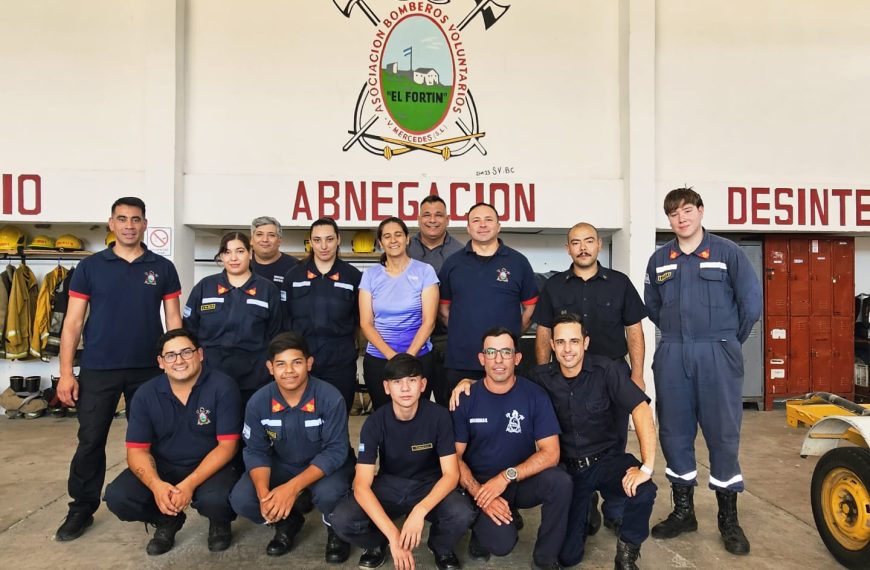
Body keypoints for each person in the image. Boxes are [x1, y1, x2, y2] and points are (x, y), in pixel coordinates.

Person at [454, 314, 656, 569]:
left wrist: (646, 467)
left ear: (586, 342)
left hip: (604, 459)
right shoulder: (540, 378)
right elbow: (501, 376)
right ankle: (584, 509)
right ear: (552, 345)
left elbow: (640, 408)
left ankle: (627, 552)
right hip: (570, 469)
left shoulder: (607, 370)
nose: (567, 349)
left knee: (644, 489)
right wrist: (469, 383)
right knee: (568, 557)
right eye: (560, 342)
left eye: (574, 341)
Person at [55, 197, 182, 542]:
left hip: (150, 371)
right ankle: (81, 509)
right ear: (111, 223)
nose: (129, 225)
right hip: (99, 369)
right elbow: (73, 322)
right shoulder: (91, 267)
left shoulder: (162, 267)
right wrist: (67, 372)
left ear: (145, 224)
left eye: (136, 219)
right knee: (90, 441)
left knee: (155, 441)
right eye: (122, 219)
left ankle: (162, 508)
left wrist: (176, 366)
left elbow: (173, 321)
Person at [644, 187, 762, 555]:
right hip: (674, 350)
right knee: (675, 433)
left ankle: (729, 519)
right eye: (674, 213)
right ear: (668, 220)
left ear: (700, 211)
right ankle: (684, 512)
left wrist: (725, 342)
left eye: (687, 210)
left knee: (723, 433)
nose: (682, 218)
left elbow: (751, 305)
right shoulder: (660, 259)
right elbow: (653, 306)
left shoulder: (728, 252)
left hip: (718, 351)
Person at [533, 222, 647, 532]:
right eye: (575, 242)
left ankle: (615, 504)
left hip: (612, 377)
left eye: (588, 241)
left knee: (614, 444)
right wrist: (544, 378)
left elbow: (634, 331)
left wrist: (636, 374)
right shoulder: (554, 286)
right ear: (567, 248)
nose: (582, 247)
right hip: (567, 378)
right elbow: (544, 334)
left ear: (598, 245)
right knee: (573, 443)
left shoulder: (620, 283)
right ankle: (585, 503)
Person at [329, 354, 474, 570]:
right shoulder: (375, 422)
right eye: (397, 382)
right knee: (341, 519)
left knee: (463, 513)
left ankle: (440, 546)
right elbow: (361, 485)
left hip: (429, 483)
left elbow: (451, 475)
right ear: (386, 387)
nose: (405, 388)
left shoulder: (439, 417)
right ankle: (377, 544)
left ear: (423, 384)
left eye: (412, 380)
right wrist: (392, 534)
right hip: (390, 484)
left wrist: (419, 511)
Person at [104, 329, 242, 555]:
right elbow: (137, 451)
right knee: (119, 497)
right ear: (161, 362)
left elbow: (228, 446)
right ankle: (167, 519)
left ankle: (219, 520)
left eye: (186, 352)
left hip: (210, 466)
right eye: (171, 355)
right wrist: (157, 486)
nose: (179, 360)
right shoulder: (146, 394)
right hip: (164, 466)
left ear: (200, 354)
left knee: (217, 500)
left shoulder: (222, 386)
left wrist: (189, 484)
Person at [451, 327, 571, 570]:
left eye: (506, 352)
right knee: (501, 543)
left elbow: (551, 453)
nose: (498, 360)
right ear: (481, 358)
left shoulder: (535, 395)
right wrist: (480, 494)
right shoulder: (465, 397)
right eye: (491, 352)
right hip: (481, 485)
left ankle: (546, 558)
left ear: (517, 358)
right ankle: (479, 524)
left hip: (517, 480)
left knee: (561, 481)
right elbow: (454, 457)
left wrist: (506, 477)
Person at [229, 332, 354, 563]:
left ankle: (335, 529)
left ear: (309, 363)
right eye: (281, 364)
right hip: (283, 464)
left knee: (330, 493)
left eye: (297, 362)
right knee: (243, 498)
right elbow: (256, 451)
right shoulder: (258, 402)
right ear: (270, 368)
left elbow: (336, 450)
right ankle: (287, 522)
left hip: (325, 466)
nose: (289, 371)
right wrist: (264, 494)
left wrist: (291, 488)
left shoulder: (330, 397)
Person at [438, 203, 538, 393]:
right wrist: (463, 333)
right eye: (476, 220)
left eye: (488, 220)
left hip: (504, 361)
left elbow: (531, 309)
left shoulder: (518, 262)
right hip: (461, 360)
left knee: (505, 418)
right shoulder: (452, 263)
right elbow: (443, 310)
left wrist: (512, 336)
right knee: (459, 417)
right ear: (468, 228)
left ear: (498, 226)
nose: (482, 225)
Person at [183, 232, 283, 406]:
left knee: (250, 429)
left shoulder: (267, 289)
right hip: (209, 376)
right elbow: (189, 331)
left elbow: (276, 335)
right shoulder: (204, 287)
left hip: (254, 379)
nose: (233, 258)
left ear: (250, 253)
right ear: (221, 256)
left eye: (240, 251)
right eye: (227, 252)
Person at [359, 217, 439, 410]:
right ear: (380, 243)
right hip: (379, 361)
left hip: (418, 357)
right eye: (387, 236)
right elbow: (366, 324)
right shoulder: (370, 275)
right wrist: (393, 358)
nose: (393, 240)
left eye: (398, 235)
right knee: (384, 417)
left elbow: (429, 322)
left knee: (418, 416)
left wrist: (407, 358)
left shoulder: (424, 271)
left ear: (407, 239)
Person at [283, 217, 362, 412]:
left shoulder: (353, 276)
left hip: (340, 362)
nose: (323, 246)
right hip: (302, 361)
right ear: (310, 242)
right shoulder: (294, 276)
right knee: (303, 418)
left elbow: (362, 321)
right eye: (317, 240)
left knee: (338, 414)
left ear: (338, 239)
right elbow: (284, 320)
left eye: (329, 239)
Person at [408, 195, 463, 407]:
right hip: (410, 340)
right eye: (427, 215)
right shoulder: (404, 249)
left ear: (447, 219)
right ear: (418, 218)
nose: (433, 220)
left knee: (449, 403)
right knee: (411, 403)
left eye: (438, 215)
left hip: (448, 340)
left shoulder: (461, 252)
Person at [250, 216, 298, 287]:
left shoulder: (295, 267)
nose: (265, 240)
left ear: (279, 240)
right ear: (251, 240)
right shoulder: (241, 264)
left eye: (271, 235)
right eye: (259, 234)